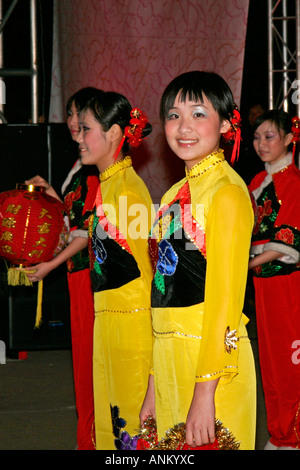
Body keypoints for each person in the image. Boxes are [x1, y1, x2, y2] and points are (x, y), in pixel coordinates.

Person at [139, 71, 257, 450]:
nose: (183, 127)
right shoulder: (175, 194)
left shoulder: (227, 194)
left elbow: (226, 300)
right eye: (174, 116)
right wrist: (154, 387)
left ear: (225, 124)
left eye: (198, 114)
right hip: (171, 358)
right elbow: (164, 294)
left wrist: (205, 392)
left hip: (212, 368)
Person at [76, 90, 154, 450]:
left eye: (86, 128)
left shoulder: (126, 192)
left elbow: (150, 272)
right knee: (113, 430)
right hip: (110, 321)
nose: (78, 137)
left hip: (131, 328)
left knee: (133, 434)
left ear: (113, 134)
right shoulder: (108, 185)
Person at [26, 87, 100, 450]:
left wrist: (48, 265)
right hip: (78, 275)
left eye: (81, 116)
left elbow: (86, 233)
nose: (73, 123)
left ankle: (96, 440)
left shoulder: (97, 172)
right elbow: (75, 222)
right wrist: (53, 196)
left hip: (91, 277)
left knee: (93, 363)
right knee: (86, 362)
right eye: (71, 114)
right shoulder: (82, 165)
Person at [248, 109, 300, 450]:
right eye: (256, 137)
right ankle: (279, 434)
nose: (261, 143)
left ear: (289, 139)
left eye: (269, 136)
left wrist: (243, 264)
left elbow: (289, 244)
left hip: (286, 288)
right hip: (263, 285)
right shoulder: (257, 182)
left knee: (287, 361)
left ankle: (290, 437)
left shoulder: (292, 183)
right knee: (268, 360)